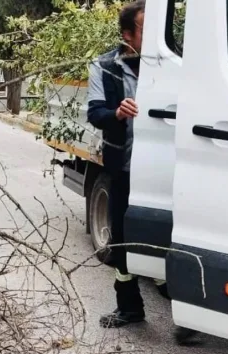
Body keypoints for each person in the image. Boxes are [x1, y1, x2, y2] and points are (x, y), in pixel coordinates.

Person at [86, 0, 158, 328]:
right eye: (146, 27)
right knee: (122, 239)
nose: (154, 33)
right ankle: (129, 307)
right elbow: (95, 113)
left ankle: (190, 313)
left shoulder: (168, 62)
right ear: (127, 34)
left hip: (162, 167)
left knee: (164, 234)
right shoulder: (104, 66)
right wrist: (116, 112)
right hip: (125, 166)